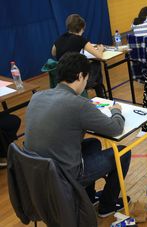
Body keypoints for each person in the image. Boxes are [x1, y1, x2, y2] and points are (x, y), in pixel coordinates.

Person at [24, 52, 131, 217]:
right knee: (123, 153)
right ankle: (107, 205)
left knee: (93, 143)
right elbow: (115, 128)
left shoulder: (37, 96)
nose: (86, 82)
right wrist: (116, 111)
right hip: (64, 177)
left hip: (37, 173)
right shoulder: (78, 103)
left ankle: (87, 198)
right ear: (80, 76)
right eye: (86, 78)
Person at [51, 14, 105, 97]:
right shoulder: (80, 39)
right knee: (96, 65)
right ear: (81, 28)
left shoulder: (60, 38)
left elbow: (53, 53)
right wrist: (100, 49)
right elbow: (99, 56)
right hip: (75, 78)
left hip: (61, 76)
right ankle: (100, 95)